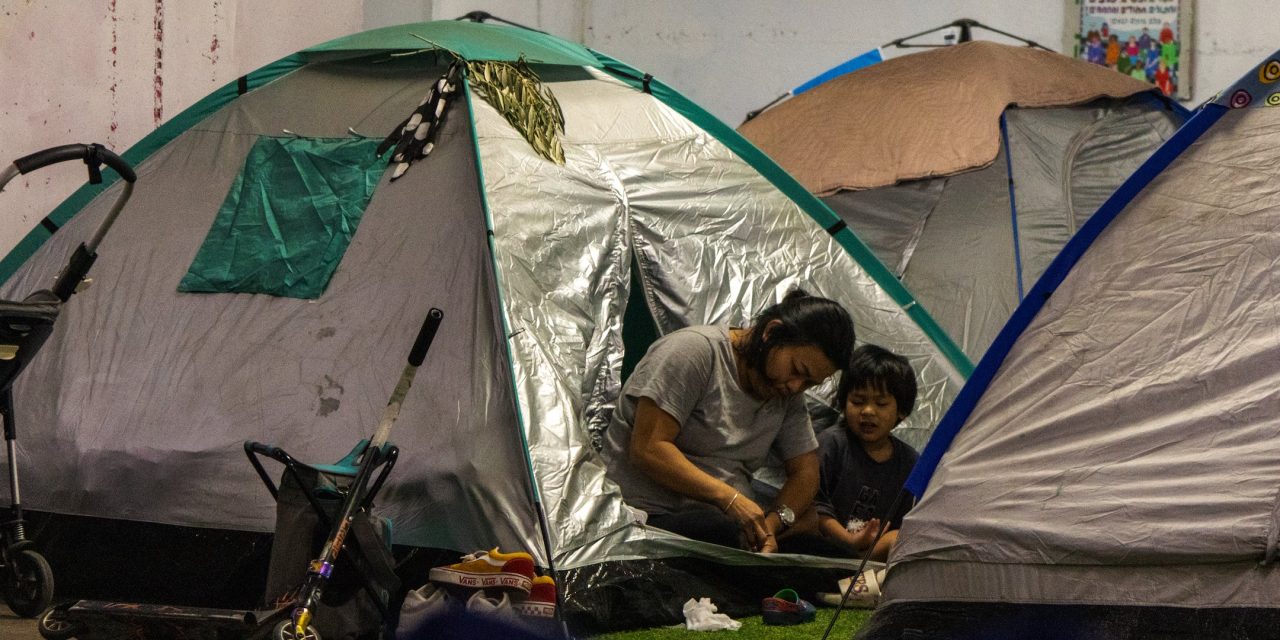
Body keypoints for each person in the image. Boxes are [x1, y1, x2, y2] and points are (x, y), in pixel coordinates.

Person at [601, 289, 855, 553]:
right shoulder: (693, 352)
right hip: (650, 518)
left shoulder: (785, 393)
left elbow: (806, 472)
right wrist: (729, 499)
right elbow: (648, 448)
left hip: (726, 526)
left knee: (833, 554)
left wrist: (771, 525)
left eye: (809, 383)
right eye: (797, 370)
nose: (796, 386)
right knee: (720, 531)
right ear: (771, 332)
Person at [812, 344, 919, 561]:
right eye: (858, 401)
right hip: (821, 548)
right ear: (844, 402)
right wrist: (848, 539)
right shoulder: (832, 443)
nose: (868, 411)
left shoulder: (909, 463)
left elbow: (904, 525)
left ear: (902, 411)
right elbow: (813, 506)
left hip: (868, 559)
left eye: (881, 403)